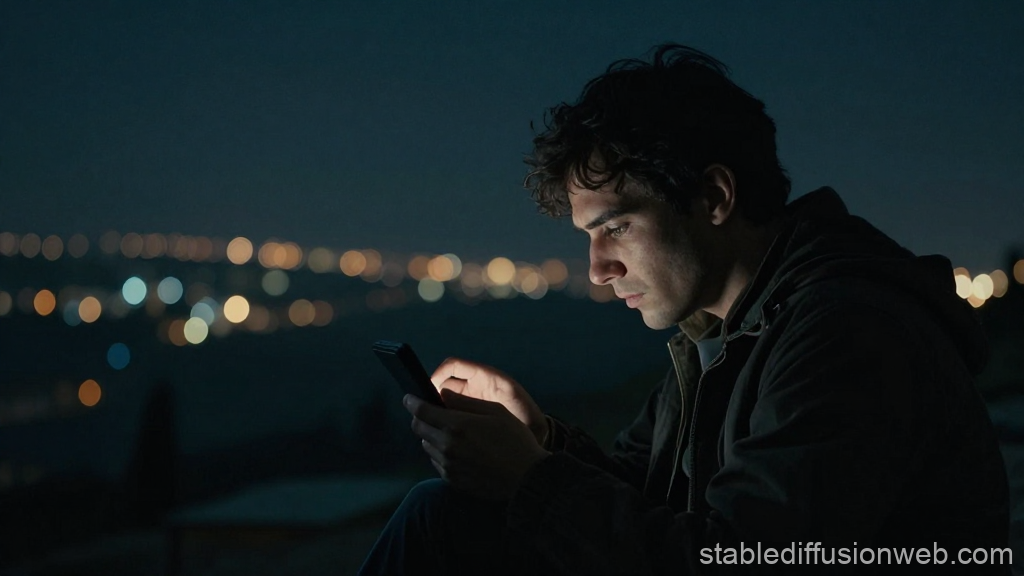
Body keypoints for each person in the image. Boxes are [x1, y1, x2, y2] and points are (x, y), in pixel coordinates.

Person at [358, 44, 1010, 575]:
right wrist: (540, 440)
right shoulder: (718, 334)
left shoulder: (848, 333)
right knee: (443, 515)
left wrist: (530, 480)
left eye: (617, 227)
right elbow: (647, 498)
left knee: (438, 520)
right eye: (589, 238)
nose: (598, 269)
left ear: (714, 197)